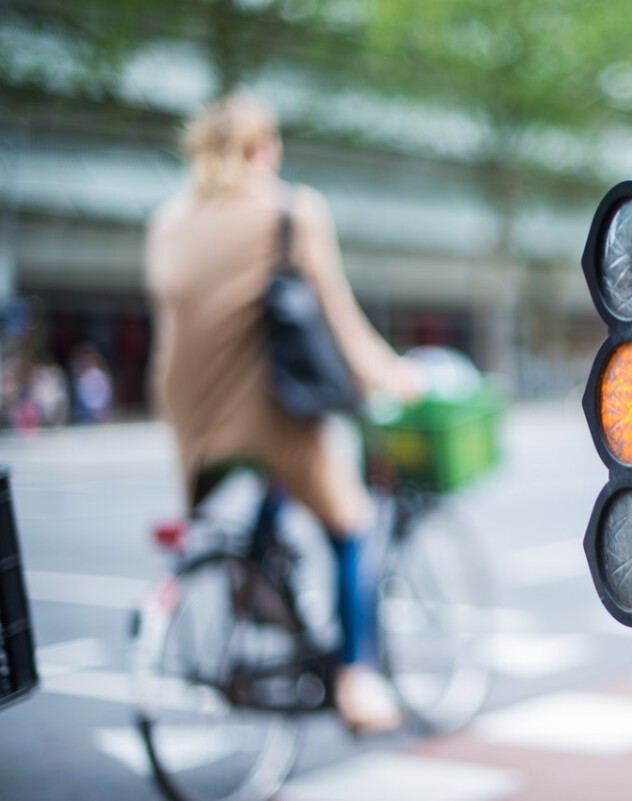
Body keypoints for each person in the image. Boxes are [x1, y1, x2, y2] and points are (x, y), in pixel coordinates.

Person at [143, 92, 424, 734]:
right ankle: (357, 677)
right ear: (261, 149)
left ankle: (256, 573)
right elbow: (340, 321)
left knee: (277, 481)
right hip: (266, 415)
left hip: (191, 422)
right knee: (349, 523)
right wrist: (392, 375)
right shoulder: (291, 212)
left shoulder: (166, 220)